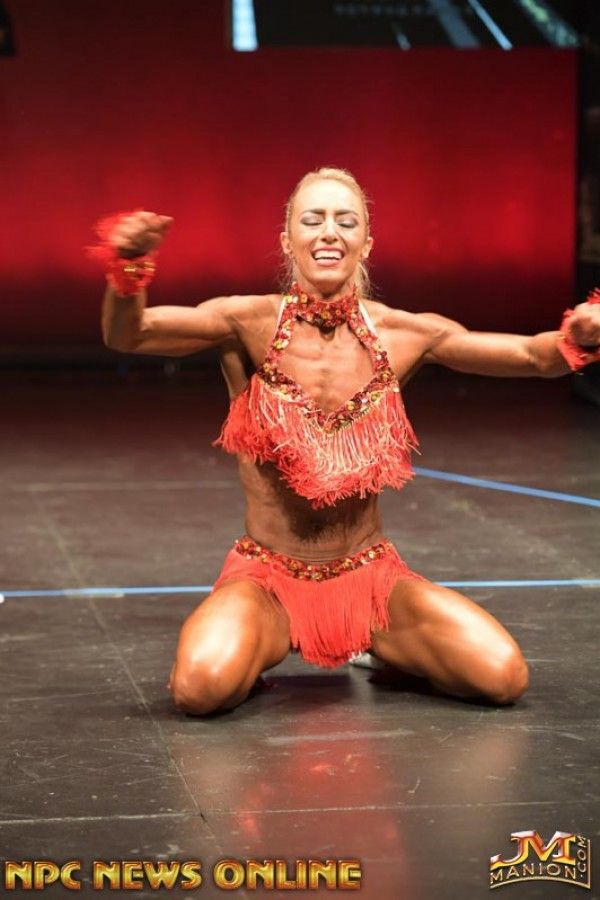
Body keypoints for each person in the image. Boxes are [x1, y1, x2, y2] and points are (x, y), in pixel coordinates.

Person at [98, 167, 600, 715]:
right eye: (312, 220)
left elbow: (531, 356)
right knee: (199, 689)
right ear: (287, 240)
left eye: (346, 221)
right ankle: (258, 645)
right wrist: (129, 266)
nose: (329, 232)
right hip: (269, 582)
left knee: (504, 676)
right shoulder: (246, 321)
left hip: (370, 581)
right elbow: (130, 333)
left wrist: (575, 338)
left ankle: (386, 653)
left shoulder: (403, 334)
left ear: (367, 242)